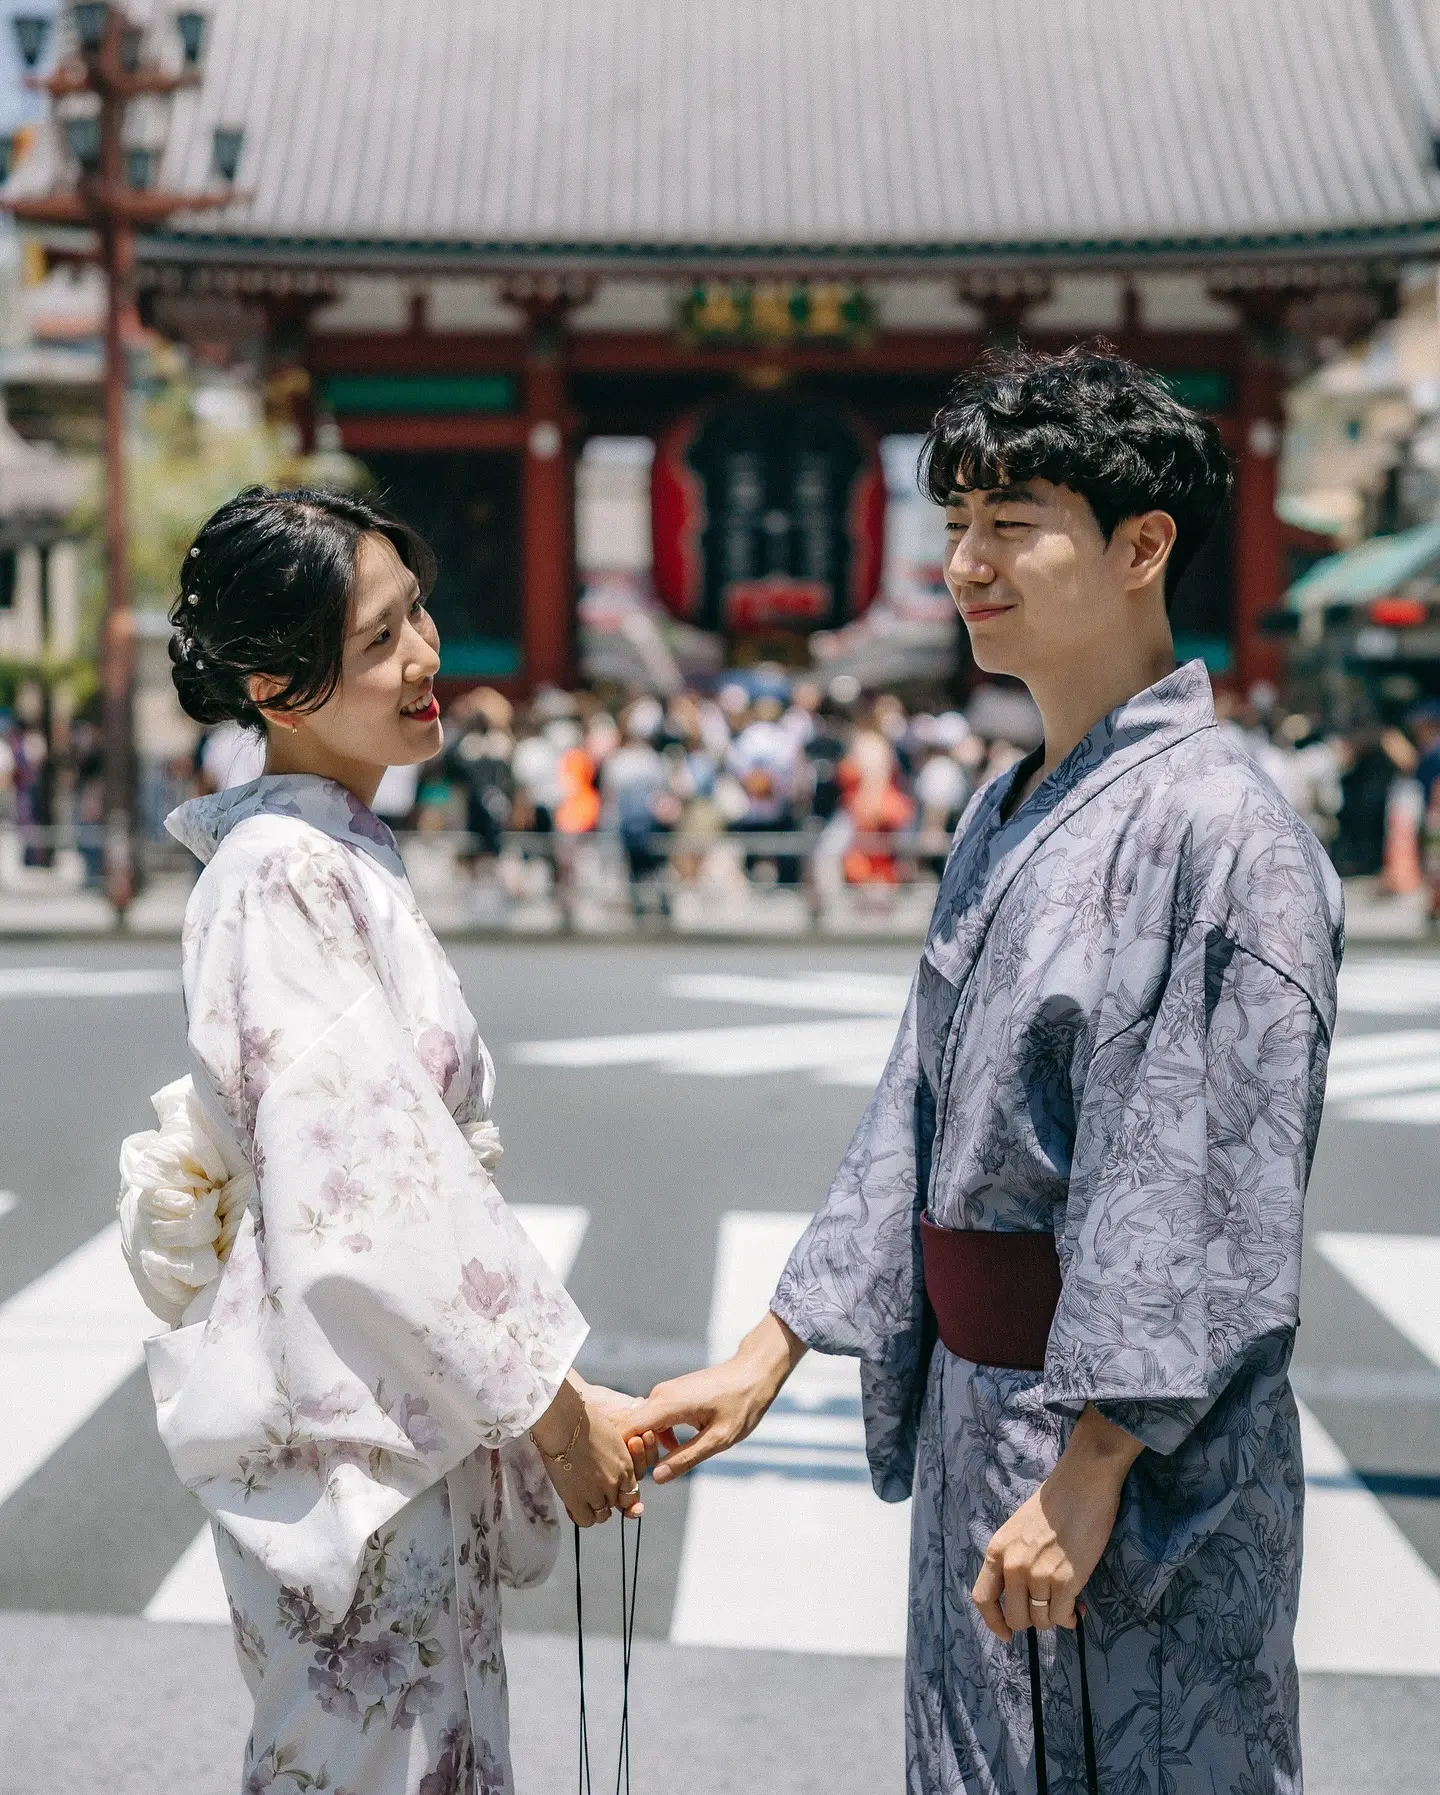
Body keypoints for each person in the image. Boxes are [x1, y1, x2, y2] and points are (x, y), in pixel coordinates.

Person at [625, 346, 1342, 1794]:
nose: (965, 560)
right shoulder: (1010, 805)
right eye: (955, 520)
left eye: (1013, 520)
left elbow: (1200, 1187)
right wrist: (768, 1355)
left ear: (1144, 545)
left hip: (1129, 1457)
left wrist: (1091, 1467)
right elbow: (916, 1109)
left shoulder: (1228, 832)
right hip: (985, 1416)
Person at [120, 487, 651, 1795]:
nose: (424, 658)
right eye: (377, 640)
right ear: (273, 680)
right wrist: (551, 1394)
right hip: (357, 1409)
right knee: (379, 1752)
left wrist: (540, 1392)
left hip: (395, 1391)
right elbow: (364, 1165)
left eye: (415, 613)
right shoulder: (284, 868)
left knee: (417, 1746)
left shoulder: (330, 852)